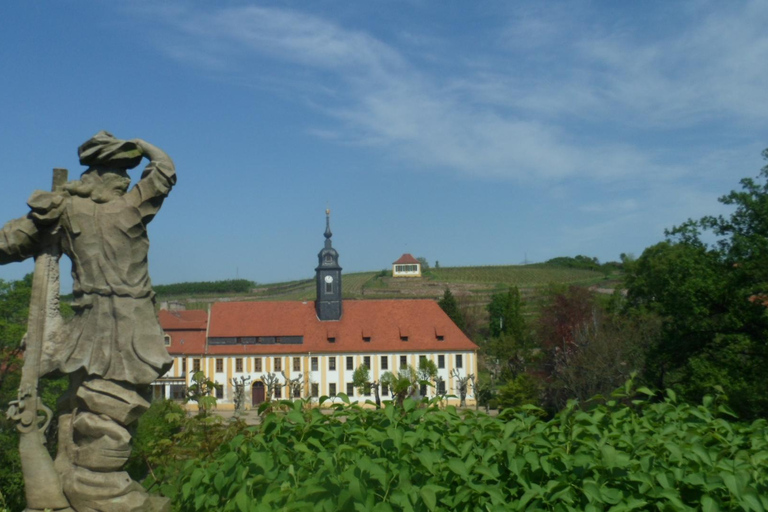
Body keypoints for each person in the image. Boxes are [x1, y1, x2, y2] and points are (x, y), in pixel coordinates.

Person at [0, 131, 175, 511]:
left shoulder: (65, 208)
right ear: (97, 174)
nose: (125, 179)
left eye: (128, 171)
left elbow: (12, 240)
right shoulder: (128, 208)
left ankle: (87, 483)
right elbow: (163, 171)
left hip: (98, 325)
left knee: (94, 406)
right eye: (117, 171)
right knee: (107, 409)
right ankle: (99, 491)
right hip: (123, 324)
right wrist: (144, 145)